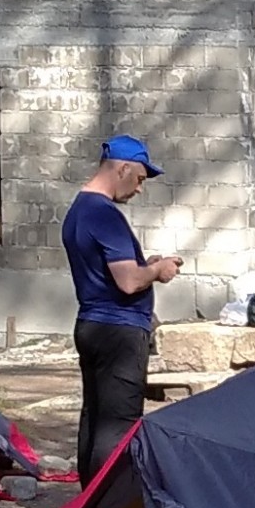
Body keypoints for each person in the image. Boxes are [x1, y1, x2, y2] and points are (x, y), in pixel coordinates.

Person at [62, 134, 180, 485]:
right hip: (120, 331)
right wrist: (157, 271)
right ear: (123, 168)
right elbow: (128, 282)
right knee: (118, 426)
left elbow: (110, 271)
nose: (140, 189)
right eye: (140, 179)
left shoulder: (78, 211)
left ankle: (87, 507)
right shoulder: (105, 214)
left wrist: (147, 265)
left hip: (92, 324)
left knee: (95, 418)